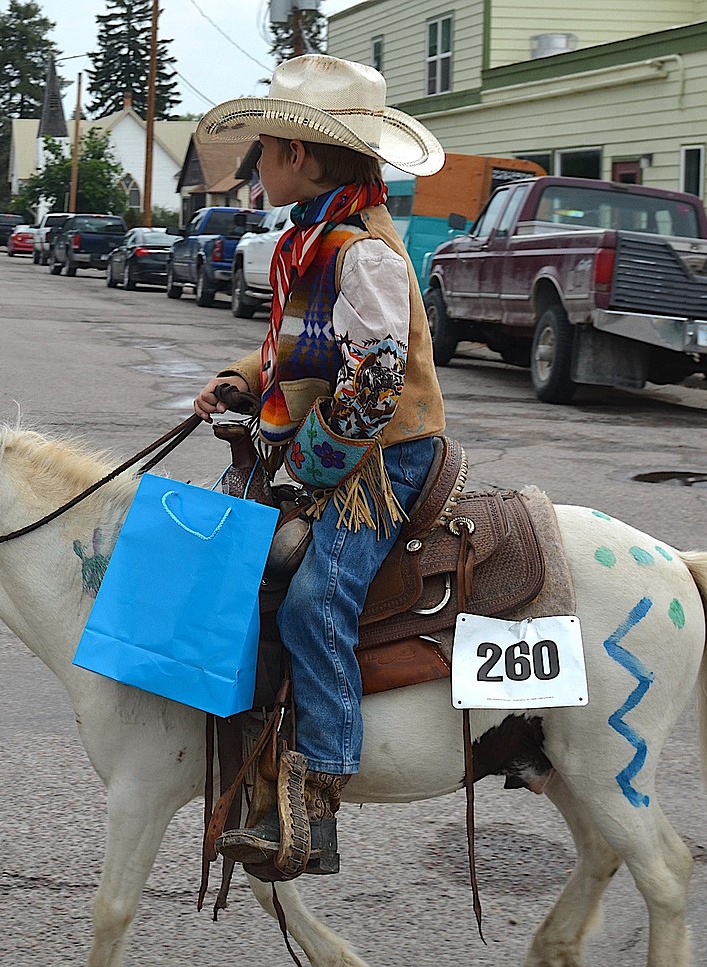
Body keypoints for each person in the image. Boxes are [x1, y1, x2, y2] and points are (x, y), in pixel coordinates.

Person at [191, 54, 447, 877]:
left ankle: (319, 791)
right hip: (333, 444)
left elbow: (371, 386)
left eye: (262, 149)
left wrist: (303, 475)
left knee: (313, 601)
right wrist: (243, 375)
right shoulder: (313, 240)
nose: (252, 166)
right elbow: (302, 349)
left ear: (299, 158)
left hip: (386, 456)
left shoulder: (362, 253)